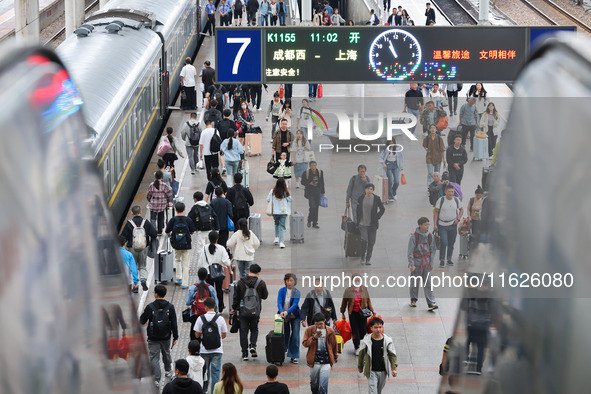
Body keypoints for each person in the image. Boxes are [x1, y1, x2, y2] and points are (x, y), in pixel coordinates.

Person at [139, 284, 179, 388]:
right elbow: (174, 323)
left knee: (154, 357)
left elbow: (142, 320)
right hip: (166, 336)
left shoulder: (150, 307)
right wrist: (175, 336)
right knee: (166, 353)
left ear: (156, 294)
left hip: (153, 337)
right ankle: (168, 370)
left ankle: (156, 379)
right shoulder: (170, 307)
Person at [232, 263, 269, 361]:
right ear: (258, 273)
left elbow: (236, 297)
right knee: (254, 329)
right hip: (255, 311)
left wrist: (234, 308)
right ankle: (252, 345)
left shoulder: (240, 282)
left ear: (249, 271)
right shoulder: (261, 283)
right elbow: (265, 296)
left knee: (243, 331)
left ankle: (244, 353)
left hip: (243, 311)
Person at [194, 297, 228, 394]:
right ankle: (214, 392)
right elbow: (224, 334)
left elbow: (196, 334)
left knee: (204, 373)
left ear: (205, 307)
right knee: (215, 373)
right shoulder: (220, 319)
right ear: (215, 306)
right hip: (217, 350)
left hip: (204, 350)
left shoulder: (201, 318)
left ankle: (204, 391)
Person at [121, 205, 158, 292]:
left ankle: (135, 287)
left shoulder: (129, 223)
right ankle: (143, 280)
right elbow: (154, 234)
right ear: (140, 212)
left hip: (132, 248)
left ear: (132, 213)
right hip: (143, 248)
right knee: (142, 266)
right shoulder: (146, 222)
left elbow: (123, 237)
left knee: (133, 267)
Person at [358, 317, 398, 394]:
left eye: (380, 327)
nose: (378, 329)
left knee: (379, 390)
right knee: (373, 391)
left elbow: (392, 355)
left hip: (383, 370)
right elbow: (361, 354)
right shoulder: (366, 340)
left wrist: (394, 368)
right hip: (371, 371)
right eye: (376, 327)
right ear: (371, 328)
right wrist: (360, 366)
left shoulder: (387, 340)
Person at [302, 313, 339, 394]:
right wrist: (313, 338)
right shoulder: (309, 330)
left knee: (323, 386)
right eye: (317, 324)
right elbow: (305, 344)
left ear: (325, 321)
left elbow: (334, 345)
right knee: (314, 384)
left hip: (326, 361)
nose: (319, 326)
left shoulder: (330, 331)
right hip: (314, 361)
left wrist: (335, 356)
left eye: (321, 324)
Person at [407, 217, 438, 309]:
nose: (427, 226)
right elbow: (410, 252)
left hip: (427, 263)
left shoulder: (430, 236)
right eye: (425, 224)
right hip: (417, 263)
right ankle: (413, 300)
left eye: (428, 224)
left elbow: (433, 250)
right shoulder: (414, 237)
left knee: (428, 283)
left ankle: (431, 302)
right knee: (414, 283)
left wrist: (431, 262)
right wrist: (412, 264)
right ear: (420, 225)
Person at [340, 274, 375, 355]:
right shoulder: (348, 290)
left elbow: (368, 300)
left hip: (363, 313)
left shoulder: (364, 289)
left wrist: (372, 310)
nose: (357, 282)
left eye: (358, 280)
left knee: (363, 330)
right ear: (352, 281)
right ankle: (357, 346)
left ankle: (362, 345)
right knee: (355, 330)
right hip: (353, 313)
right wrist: (342, 312)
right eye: (355, 280)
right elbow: (344, 302)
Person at [198, 231, 231, 313]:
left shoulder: (204, 248)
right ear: (217, 238)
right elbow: (227, 262)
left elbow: (200, 263)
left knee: (209, 291)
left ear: (209, 239)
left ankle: (210, 308)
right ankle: (221, 307)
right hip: (218, 273)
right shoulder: (221, 248)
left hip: (207, 274)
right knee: (219, 290)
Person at [165, 202, 197, 289]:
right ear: (184, 209)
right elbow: (193, 231)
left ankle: (179, 278)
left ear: (175, 210)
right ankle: (185, 283)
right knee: (186, 264)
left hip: (176, 245)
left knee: (177, 260)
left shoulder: (173, 220)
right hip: (187, 245)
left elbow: (167, 231)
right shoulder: (188, 220)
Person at [434, 184, 464, 267]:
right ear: (445, 192)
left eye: (452, 192)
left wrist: (458, 219)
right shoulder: (441, 200)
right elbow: (436, 212)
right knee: (444, 241)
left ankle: (449, 259)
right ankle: (442, 259)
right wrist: (435, 224)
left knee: (451, 242)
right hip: (442, 225)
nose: (451, 193)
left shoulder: (456, 200)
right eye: (449, 192)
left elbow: (461, 210)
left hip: (453, 225)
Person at [356, 184, 386, 265]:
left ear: (373, 190)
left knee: (371, 242)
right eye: (368, 189)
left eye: (371, 189)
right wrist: (357, 221)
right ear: (365, 190)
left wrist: (377, 217)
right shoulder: (361, 198)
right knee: (364, 240)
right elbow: (357, 210)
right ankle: (362, 256)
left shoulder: (376, 199)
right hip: (362, 223)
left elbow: (382, 209)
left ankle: (368, 258)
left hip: (372, 224)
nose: (369, 190)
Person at [186, 267, 219, 340]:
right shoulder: (210, 288)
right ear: (207, 276)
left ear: (198, 275)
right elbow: (216, 303)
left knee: (194, 336)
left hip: (195, 315)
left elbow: (187, 302)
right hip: (208, 315)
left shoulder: (193, 288)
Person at [277, 273, 301, 364]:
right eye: (288, 280)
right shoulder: (281, 291)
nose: (289, 282)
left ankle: (294, 355)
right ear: (285, 281)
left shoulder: (297, 292)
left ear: (294, 282)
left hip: (295, 316)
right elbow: (279, 302)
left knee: (295, 334)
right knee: (285, 333)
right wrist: (281, 311)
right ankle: (285, 348)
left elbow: (295, 304)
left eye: (291, 281)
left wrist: (287, 312)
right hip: (283, 315)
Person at [267, 178, 291, 248]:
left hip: (275, 211)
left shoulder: (272, 191)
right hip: (283, 212)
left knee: (276, 224)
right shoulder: (285, 192)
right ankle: (281, 242)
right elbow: (290, 199)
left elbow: (268, 199)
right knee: (282, 227)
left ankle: (276, 237)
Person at [301, 161, 325, 229]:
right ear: (310, 166)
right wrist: (309, 183)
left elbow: (322, 182)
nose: (313, 167)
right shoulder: (306, 173)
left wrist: (323, 192)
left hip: (317, 192)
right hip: (310, 192)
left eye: (315, 165)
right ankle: (309, 220)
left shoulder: (320, 172)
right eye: (312, 166)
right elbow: (302, 182)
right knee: (312, 207)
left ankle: (315, 223)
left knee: (316, 207)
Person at [147, 170, 172, 235]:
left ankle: (153, 231)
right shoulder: (164, 185)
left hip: (153, 205)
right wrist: (167, 200)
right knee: (161, 217)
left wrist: (150, 200)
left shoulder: (151, 185)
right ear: (162, 177)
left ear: (155, 176)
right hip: (162, 204)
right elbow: (169, 195)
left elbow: (149, 195)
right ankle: (159, 231)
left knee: (153, 218)